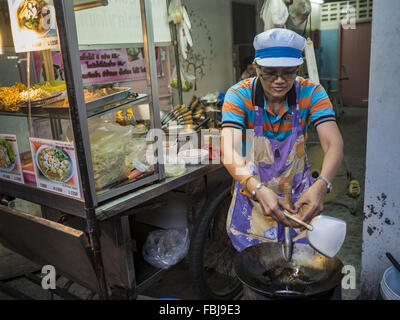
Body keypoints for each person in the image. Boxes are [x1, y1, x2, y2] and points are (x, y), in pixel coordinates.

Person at [221, 28, 343, 252]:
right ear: (257, 68)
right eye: (270, 72)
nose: (279, 80)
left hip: (299, 199)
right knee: (257, 269)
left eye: (288, 72)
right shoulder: (238, 95)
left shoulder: (312, 93)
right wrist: (257, 188)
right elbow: (229, 150)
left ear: (298, 68)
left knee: (301, 265)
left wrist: (322, 184)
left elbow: (333, 144)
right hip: (253, 196)